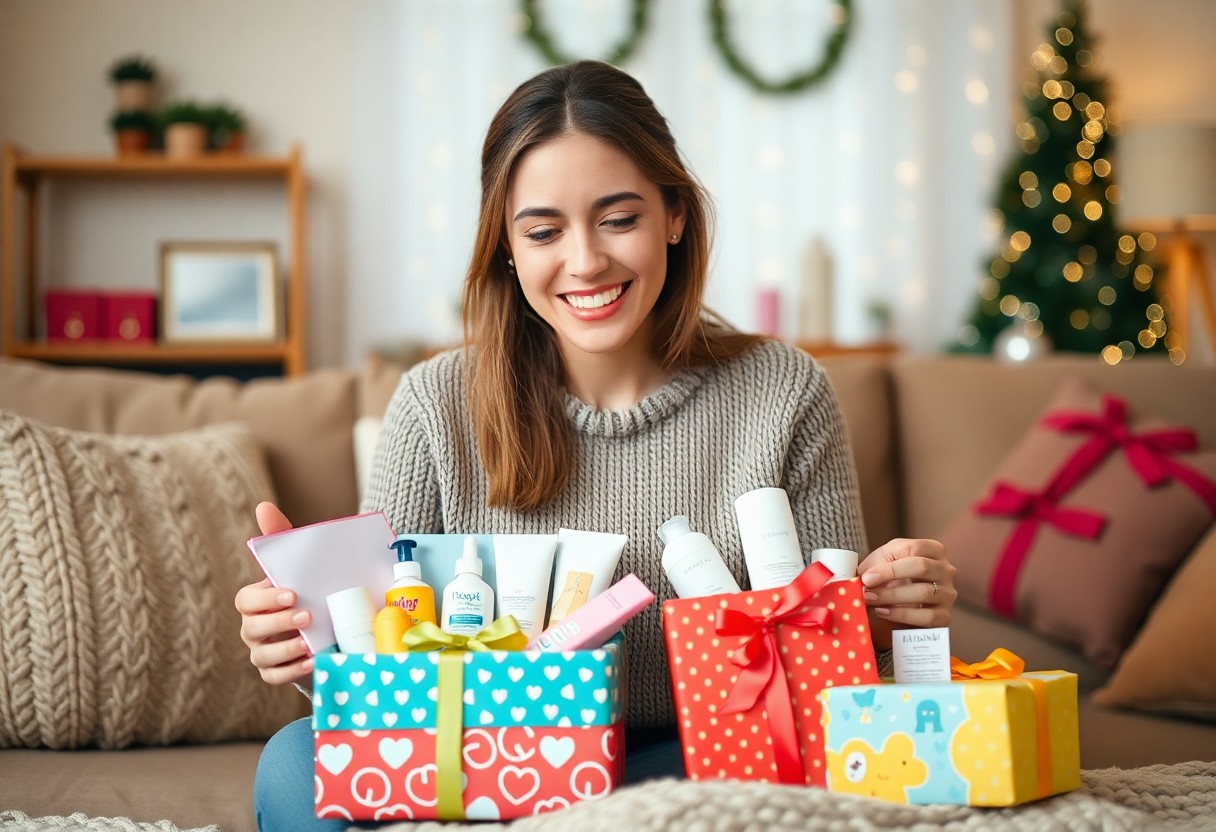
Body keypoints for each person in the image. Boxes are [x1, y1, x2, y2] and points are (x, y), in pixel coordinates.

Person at [237, 60, 957, 831]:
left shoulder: (784, 390)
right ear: (507, 247)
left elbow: (833, 688)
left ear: (674, 214)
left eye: (619, 219)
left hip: (708, 766)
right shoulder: (434, 404)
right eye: (544, 231)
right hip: (497, 760)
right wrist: (309, 643)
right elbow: (384, 682)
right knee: (292, 764)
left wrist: (886, 614)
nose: (585, 262)